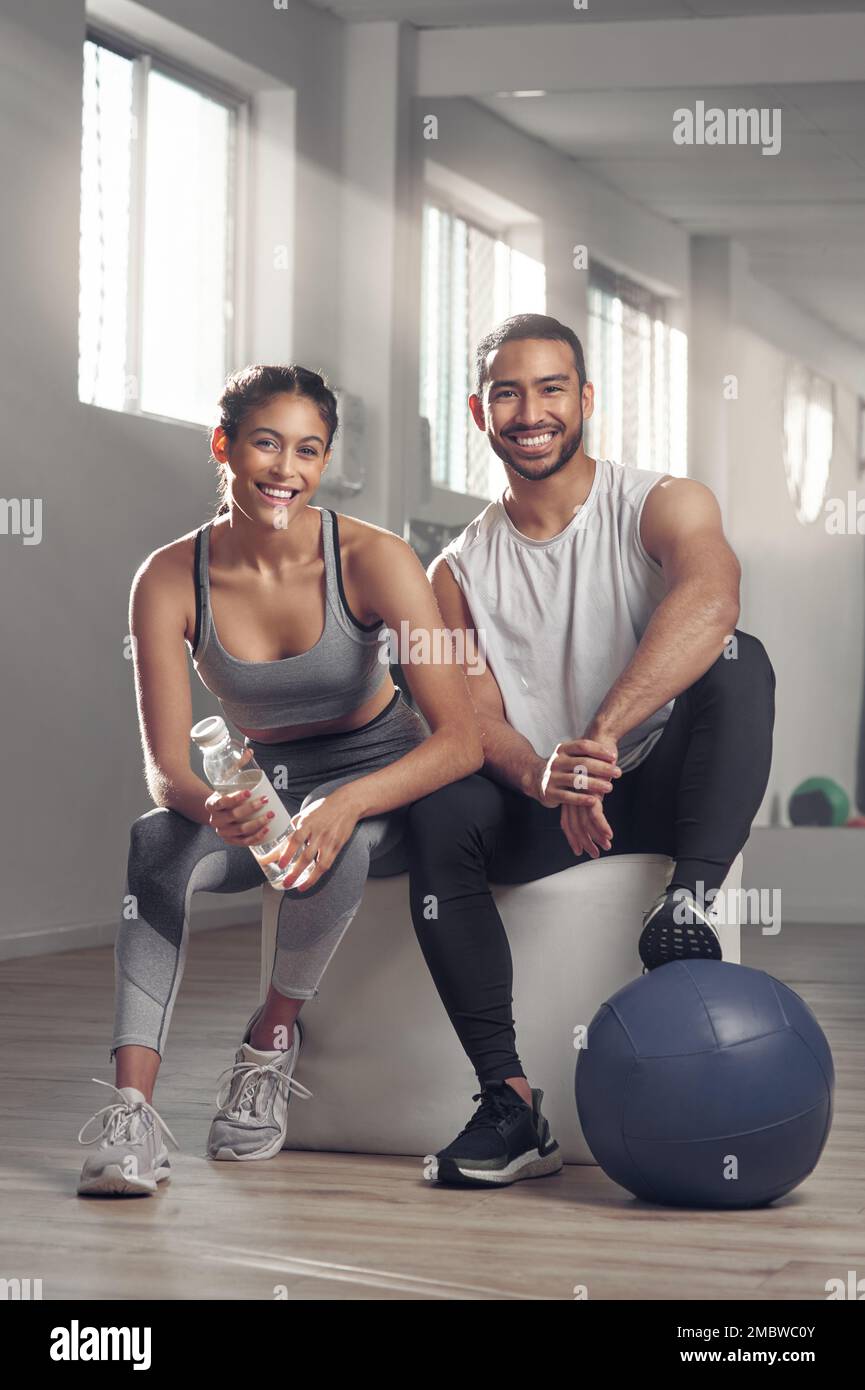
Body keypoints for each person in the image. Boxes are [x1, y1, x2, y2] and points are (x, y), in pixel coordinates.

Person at [77, 364, 482, 1196]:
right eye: (266, 443)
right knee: (156, 841)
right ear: (224, 446)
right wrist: (213, 807)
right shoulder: (166, 578)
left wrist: (351, 800)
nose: (286, 470)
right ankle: (130, 1118)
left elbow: (463, 739)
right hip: (262, 794)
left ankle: (268, 1043)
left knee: (336, 843)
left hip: (382, 781)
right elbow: (166, 772)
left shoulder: (375, 557)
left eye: (308, 450)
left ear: (324, 461)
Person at [405, 313, 776, 1188]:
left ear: (585, 400)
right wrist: (545, 774)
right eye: (507, 391)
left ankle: (682, 908)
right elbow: (470, 716)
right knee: (441, 802)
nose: (529, 410)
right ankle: (507, 1105)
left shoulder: (661, 501)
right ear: (478, 409)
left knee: (737, 660)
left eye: (550, 388)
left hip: (651, 779)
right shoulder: (452, 574)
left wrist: (598, 741)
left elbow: (710, 600)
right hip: (546, 805)